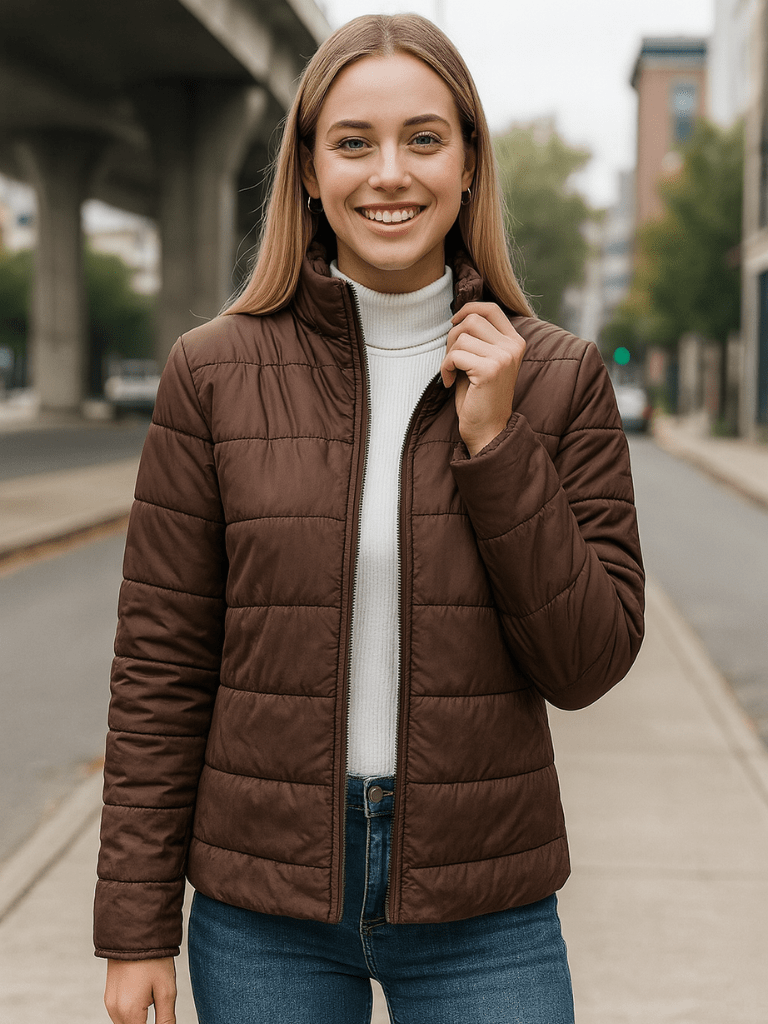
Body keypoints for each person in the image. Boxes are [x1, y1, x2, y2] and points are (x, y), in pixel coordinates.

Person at [96, 13, 644, 1024]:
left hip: (487, 906)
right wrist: (135, 928)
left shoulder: (558, 378)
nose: (389, 172)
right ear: (308, 168)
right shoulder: (213, 373)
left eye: (423, 139)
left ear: (470, 162)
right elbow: (161, 667)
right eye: (354, 142)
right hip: (262, 906)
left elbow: (588, 663)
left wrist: (498, 446)